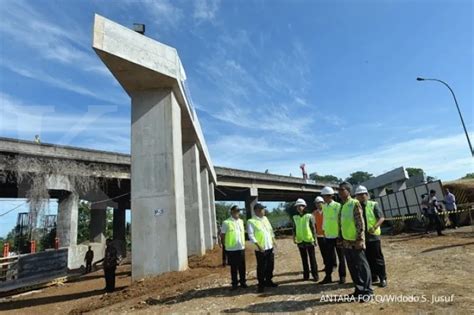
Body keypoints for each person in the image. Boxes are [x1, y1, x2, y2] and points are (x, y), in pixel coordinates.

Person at [338, 182, 373, 302]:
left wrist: (360, 239)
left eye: (342, 190)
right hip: (346, 242)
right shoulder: (343, 206)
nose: (339, 192)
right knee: (353, 267)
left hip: (356, 241)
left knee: (362, 267)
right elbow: (342, 224)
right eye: (339, 190)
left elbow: (360, 223)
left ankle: (367, 291)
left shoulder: (354, 203)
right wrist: (340, 239)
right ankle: (358, 290)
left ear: (348, 191)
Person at [355, 185, 387, 288]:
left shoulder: (373, 204)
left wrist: (374, 227)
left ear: (367, 195)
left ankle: (383, 277)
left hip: (373, 236)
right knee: (367, 258)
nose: (361, 196)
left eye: (363, 194)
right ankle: (373, 276)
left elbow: (381, 218)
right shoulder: (356, 206)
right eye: (359, 195)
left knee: (378, 258)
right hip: (363, 237)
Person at [247, 203, 278, 293]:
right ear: (256, 210)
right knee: (261, 267)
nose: (263, 211)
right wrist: (258, 245)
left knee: (270, 265)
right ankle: (261, 284)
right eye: (261, 209)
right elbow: (251, 235)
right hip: (260, 248)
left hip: (269, 246)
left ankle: (269, 281)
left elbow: (270, 230)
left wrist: (274, 240)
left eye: (263, 209)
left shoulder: (265, 219)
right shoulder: (251, 221)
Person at [319, 186, 346, 285]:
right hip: (328, 236)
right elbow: (325, 219)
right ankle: (328, 277)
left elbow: (341, 221)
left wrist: (341, 234)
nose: (324, 198)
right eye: (323, 196)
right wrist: (324, 231)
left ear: (331, 196)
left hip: (338, 236)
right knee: (329, 258)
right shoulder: (324, 206)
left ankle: (342, 276)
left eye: (325, 196)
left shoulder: (338, 206)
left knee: (341, 258)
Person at [220, 205, 247, 290]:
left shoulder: (241, 221)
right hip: (231, 249)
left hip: (241, 247)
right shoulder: (226, 222)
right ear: (231, 212)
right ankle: (234, 284)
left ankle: (243, 282)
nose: (237, 213)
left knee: (242, 266)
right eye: (236, 211)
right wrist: (224, 245)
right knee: (234, 267)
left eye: (238, 211)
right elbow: (223, 235)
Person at [292, 198, 319, 282]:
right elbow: (294, 229)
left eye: (301, 206)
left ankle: (315, 275)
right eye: (298, 206)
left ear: (304, 207)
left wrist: (315, 239)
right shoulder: (295, 217)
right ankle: (306, 275)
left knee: (312, 259)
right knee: (304, 259)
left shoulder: (309, 216)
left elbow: (313, 228)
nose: (299, 207)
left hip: (309, 240)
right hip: (300, 241)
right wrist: (294, 238)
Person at [312, 197, 329, 273]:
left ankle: (333, 265)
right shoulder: (314, 213)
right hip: (319, 235)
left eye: (320, 203)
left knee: (330, 251)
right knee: (323, 251)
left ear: (323, 203)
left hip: (328, 234)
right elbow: (313, 225)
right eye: (317, 203)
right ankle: (326, 265)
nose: (318, 204)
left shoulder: (327, 211)